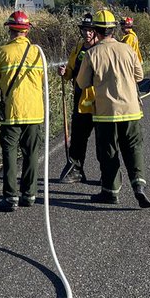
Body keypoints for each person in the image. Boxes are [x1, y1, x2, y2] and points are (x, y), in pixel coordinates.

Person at [75, 8, 150, 208]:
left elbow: (82, 83)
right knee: (133, 148)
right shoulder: (128, 49)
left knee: (109, 152)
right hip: (132, 110)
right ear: (114, 30)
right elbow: (139, 76)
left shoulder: (92, 54)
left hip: (106, 113)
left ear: (97, 31)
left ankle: (111, 191)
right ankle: (139, 185)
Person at [0, 10, 46, 211]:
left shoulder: (2, 51)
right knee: (31, 153)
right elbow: (43, 80)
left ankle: (10, 197)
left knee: (10, 153)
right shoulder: (38, 53)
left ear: (10, 30)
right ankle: (29, 195)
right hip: (35, 112)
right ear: (27, 31)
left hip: (12, 111)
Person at [57, 12, 95, 183]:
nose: (87, 34)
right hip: (80, 101)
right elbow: (71, 70)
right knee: (78, 137)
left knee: (105, 141)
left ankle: (109, 177)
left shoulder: (101, 48)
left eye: (90, 30)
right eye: (84, 30)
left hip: (100, 102)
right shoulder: (78, 48)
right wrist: (65, 73)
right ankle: (76, 170)